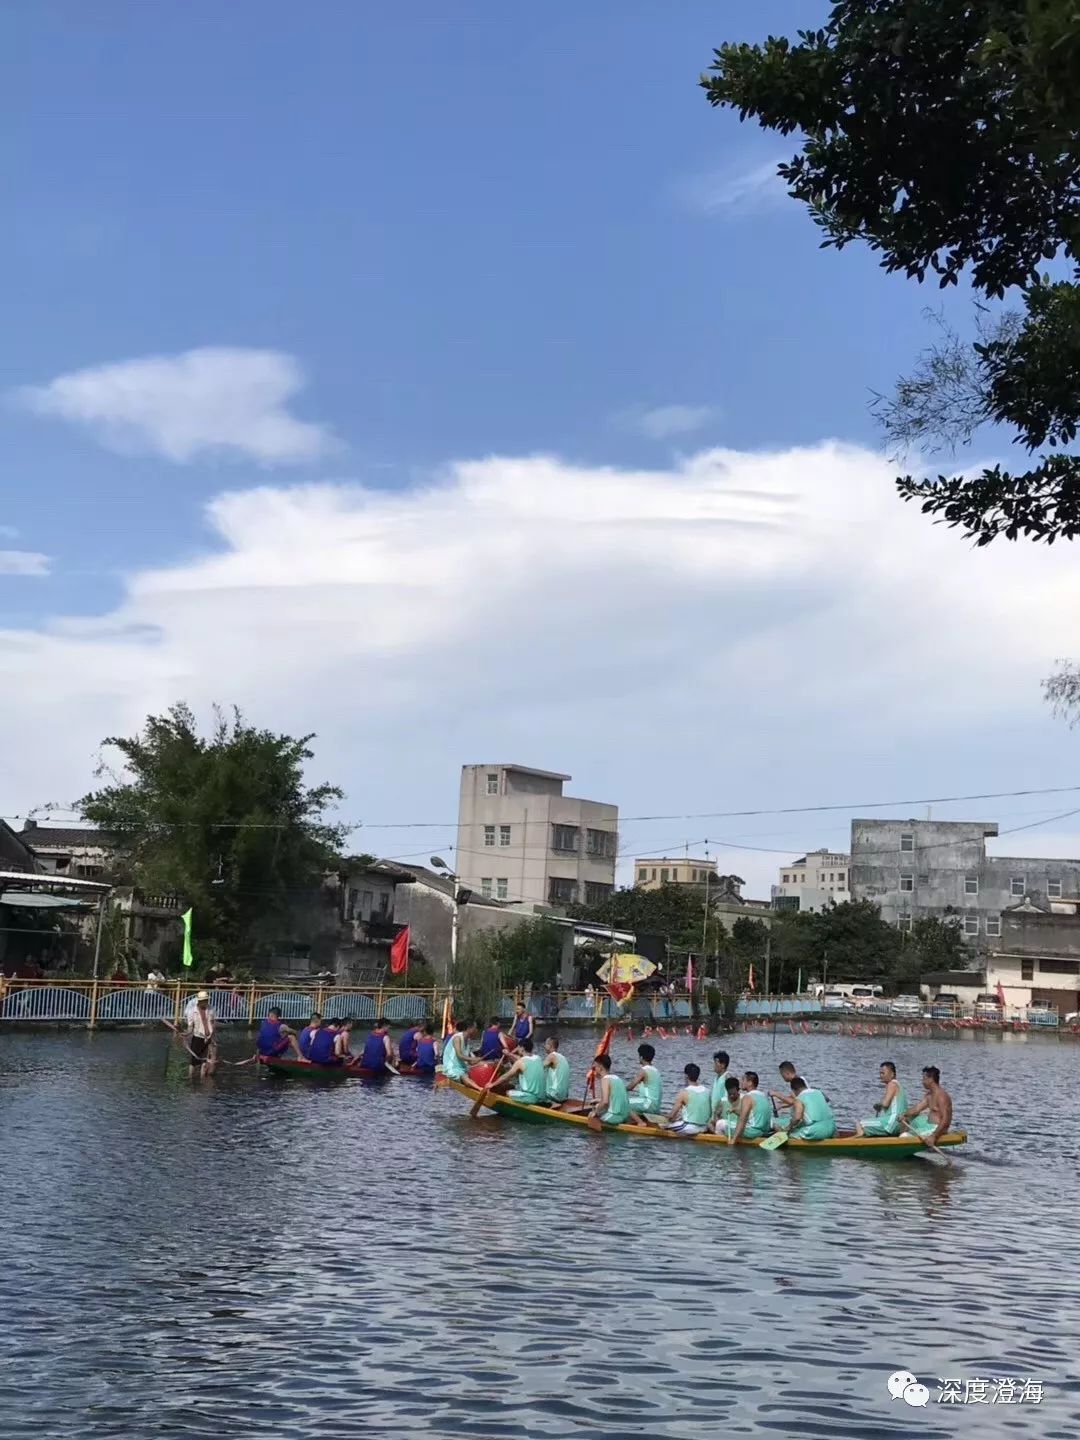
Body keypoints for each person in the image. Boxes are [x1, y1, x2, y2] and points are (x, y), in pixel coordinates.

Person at [903, 1066, 954, 1147]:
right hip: (928, 1125)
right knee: (908, 1117)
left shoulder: (941, 1096)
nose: (922, 1081)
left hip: (936, 1129)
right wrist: (903, 1115)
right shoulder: (929, 1095)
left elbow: (946, 1120)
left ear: (930, 1079)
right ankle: (902, 1137)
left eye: (924, 1078)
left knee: (904, 1136)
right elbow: (916, 1109)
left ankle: (902, 1140)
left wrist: (934, 1136)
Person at [855, 1061, 908, 1137]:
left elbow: (885, 1104)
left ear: (892, 1074)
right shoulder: (899, 1085)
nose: (881, 1075)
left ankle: (857, 1142)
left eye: (883, 1073)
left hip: (891, 1123)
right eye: (880, 1073)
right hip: (899, 1125)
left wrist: (878, 1105)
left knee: (859, 1124)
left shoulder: (891, 1084)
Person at [491, 1037, 546, 1103]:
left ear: (522, 1048)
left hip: (532, 1098)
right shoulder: (538, 1058)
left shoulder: (520, 1062)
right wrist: (509, 1054)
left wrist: (492, 1084)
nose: (517, 1049)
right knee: (514, 1087)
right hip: (542, 1096)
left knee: (507, 1092)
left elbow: (506, 1076)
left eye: (518, 1047)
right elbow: (521, 1059)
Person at [665, 1063, 713, 1136]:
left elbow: (671, 1116)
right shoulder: (708, 1091)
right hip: (704, 1127)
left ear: (686, 1076)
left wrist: (662, 1118)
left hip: (690, 1128)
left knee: (662, 1126)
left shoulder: (684, 1092)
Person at [728, 1071, 774, 1145]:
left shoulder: (747, 1097)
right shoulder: (763, 1095)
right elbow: (752, 1113)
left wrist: (733, 1140)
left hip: (752, 1132)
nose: (741, 1082)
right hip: (765, 1131)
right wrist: (734, 1110)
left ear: (750, 1083)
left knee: (720, 1124)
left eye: (743, 1080)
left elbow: (742, 1120)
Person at [787, 1076, 837, 1141]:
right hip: (832, 1128)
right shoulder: (819, 1092)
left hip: (815, 1131)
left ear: (793, 1090)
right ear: (804, 1085)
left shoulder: (798, 1099)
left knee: (790, 1135)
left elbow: (797, 1118)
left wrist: (788, 1128)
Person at [588, 1052, 631, 1126]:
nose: (594, 1070)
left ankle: (596, 1137)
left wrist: (595, 1112)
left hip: (616, 1116)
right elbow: (614, 1097)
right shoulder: (616, 1078)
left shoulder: (605, 1080)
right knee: (598, 1105)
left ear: (600, 1068)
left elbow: (605, 1102)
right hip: (625, 1115)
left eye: (595, 1067)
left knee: (591, 1115)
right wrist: (598, 1100)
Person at [183, 990, 218, 1079]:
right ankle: (190, 1077)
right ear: (200, 1001)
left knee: (205, 1061)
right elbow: (190, 1027)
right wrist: (186, 1033)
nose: (206, 1002)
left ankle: (202, 1078)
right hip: (198, 1037)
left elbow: (213, 1023)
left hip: (209, 1038)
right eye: (204, 1000)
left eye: (207, 1000)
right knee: (193, 1060)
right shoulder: (192, 1011)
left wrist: (211, 1036)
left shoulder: (211, 1009)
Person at [626, 1042, 663, 1124]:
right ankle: (638, 1118)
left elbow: (630, 1087)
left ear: (641, 1057)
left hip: (648, 1104)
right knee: (633, 1102)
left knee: (624, 1102)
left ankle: (640, 1122)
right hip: (656, 1107)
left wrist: (618, 1089)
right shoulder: (656, 1071)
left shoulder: (643, 1071)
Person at [542, 1034, 571, 1105]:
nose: (544, 1046)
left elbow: (538, 1070)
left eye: (545, 1044)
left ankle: (551, 1103)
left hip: (555, 1095)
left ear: (550, 1046)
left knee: (535, 1091)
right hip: (564, 1096)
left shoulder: (551, 1056)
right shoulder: (563, 1057)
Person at [710, 1051, 736, 1120]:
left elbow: (727, 1099)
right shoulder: (716, 1078)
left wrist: (718, 1115)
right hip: (714, 1114)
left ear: (723, 1065)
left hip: (721, 1115)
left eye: (716, 1063)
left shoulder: (727, 1077)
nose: (714, 1065)